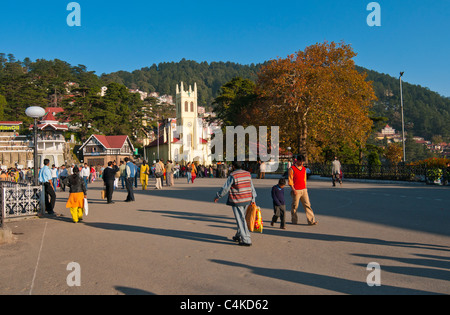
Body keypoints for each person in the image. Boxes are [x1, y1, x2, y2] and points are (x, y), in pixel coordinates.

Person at [214, 161, 257, 247]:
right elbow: (251, 187)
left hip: (238, 200)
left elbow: (225, 188)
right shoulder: (247, 174)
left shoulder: (233, 175)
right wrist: (253, 198)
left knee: (240, 219)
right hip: (247, 198)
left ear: (233, 166)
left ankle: (246, 239)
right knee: (242, 218)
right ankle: (238, 235)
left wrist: (218, 195)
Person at [288, 154, 318, 226]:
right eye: (300, 161)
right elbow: (290, 180)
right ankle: (294, 220)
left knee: (307, 205)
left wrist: (306, 189)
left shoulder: (304, 169)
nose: (302, 163)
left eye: (303, 162)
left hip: (304, 189)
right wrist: (293, 189)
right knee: (295, 206)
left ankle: (311, 221)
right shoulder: (292, 169)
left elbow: (304, 180)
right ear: (297, 161)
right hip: (296, 190)